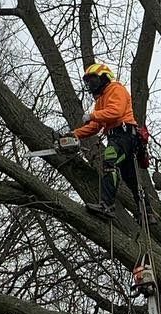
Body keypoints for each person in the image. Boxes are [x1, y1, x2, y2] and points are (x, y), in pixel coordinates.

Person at [58, 61, 148, 218]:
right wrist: (75, 134)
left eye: (93, 80)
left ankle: (107, 206)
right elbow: (95, 127)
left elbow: (116, 111)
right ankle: (148, 213)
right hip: (118, 136)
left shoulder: (115, 88)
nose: (90, 84)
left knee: (109, 163)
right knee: (130, 178)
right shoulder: (100, 100)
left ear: (104, 77)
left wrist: (93, 115)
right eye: (88, 81)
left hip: (124, 134)